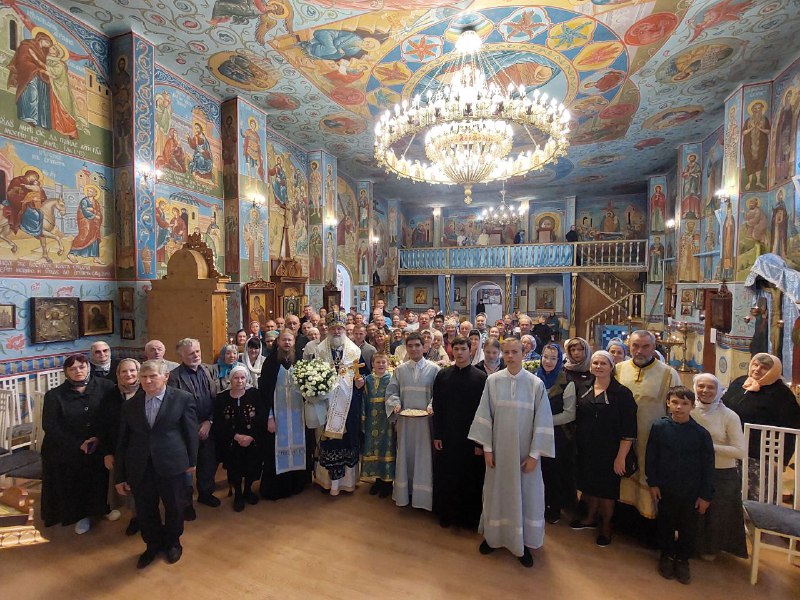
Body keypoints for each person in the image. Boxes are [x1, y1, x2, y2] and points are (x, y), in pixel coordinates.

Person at [468, 337, 555, 568]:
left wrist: (535, 455)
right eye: (506, 352)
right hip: (498, 453)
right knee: (496, 493)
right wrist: (487, 449)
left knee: (525, 497)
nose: (510, 356)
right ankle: (493, 537)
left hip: (524, 456)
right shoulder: (493, 382)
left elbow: (543, 422)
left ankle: (522, 543)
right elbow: (485, 416)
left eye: (515, 352)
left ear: (523, 353)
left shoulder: (535, 384)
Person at [114, 360, 198, 569]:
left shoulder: (182, 399)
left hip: (172, 464)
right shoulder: (130, 405)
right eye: (143, 377)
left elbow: (190, 433)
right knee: (145, 509)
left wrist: (192, 462)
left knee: (175, 506)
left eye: (153, 376)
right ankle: (152, 544)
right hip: (141, 466)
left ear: (166, 376)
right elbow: (122, 442)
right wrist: (120, 476)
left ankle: (172, 542)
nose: (148, 381)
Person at [41, 354, 117, 534]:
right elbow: (50, 426)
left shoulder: (105, 386)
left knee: (98, 479)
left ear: (89, 367)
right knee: (76, 483)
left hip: (98, 443)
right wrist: (78, 444)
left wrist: (98, 438)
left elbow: (111, 415)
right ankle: (81, 515)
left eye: (82, 367)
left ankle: (100, 509)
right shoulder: (54, 395)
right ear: (66, 372)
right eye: (73, 369)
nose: (78, 371)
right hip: (66, 448)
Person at [647, 386, 715, 585]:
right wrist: (653, 482)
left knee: (688, 527)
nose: (679, 407)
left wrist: (706, 495)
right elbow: (652, 457)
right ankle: (667, 555)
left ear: (692, 406)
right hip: (666, 487)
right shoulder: (659, 427)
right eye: (675, 402)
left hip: (691, 490)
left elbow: (708, 466)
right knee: (666, 522)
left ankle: (683, 559)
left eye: (685, 403)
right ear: (668, 403)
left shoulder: (701, 434)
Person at [571, 350, 637, 546]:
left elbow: (629, 429)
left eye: (603, 363)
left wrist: (621, 457)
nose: (598, 367)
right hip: (587, 447)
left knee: (607, 492)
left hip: (610, 450)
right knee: (589, 487)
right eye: (595, 363)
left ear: (611, 367)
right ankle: (590, 518)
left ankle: (606, 527)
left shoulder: (622, 394)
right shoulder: (583, 387)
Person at [615, 330, 680, 520]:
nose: (639, 351)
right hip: (623, 436)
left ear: (653, 347)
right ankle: (622, 519)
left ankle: (647, 520)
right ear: (629, 346)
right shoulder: (619, 369)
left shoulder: (668, 373)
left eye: (645, 346)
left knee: (647, 474)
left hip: (651, 438)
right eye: (635, 346)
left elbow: (675, 408)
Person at [720, 353, 800, 498]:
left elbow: (791, 428)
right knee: (730, 492)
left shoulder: (781, 394)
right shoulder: (740, 382)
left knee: (758, 496)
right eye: (755, 365)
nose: (757, 370)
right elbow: (723, 405)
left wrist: (780, 460)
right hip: (731, 447)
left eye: (764, 368)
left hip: (760, 454)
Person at [691, 373, 748, 560]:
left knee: (715, 515)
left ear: (718, 391)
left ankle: (711, 547)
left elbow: (739, 451)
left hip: (721, 472)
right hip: (695, 471)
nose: (705, 391)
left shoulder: (729, 416)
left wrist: (709, 447)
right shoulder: (689, 410)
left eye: (710, 387)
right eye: (701, 386)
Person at [432, 336, 488, 529]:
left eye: (463, 348)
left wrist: (480, 443)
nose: (459, 352)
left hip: (471, 438)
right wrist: (437, 434)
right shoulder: (443, 375)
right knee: (448, 475)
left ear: (470, 349)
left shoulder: (481, 378)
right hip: (447, 436)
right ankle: (446, 513)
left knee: (470, 477)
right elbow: (437, 406)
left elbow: (485, 412)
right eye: (456, 349)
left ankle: (469, 517)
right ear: (451, 351)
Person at [312, 311, 365, 495]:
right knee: (329, 441)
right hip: (326, 405)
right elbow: (314, 375)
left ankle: (346, 483)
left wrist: (361, 382)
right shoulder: (319, 350)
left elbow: (362, 373)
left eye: (339, 328)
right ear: (328, 329)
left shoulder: (355, 351)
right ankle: (327, 482)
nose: (336, 331)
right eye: (333, 328)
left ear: (344, 330)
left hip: (349, 405)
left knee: (348, 441)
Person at [385, 332, 440, 510]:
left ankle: (423, 497)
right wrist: (395, 404)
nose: (414, 349)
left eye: (418, 345)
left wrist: (432, 405)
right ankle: (405, 493)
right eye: (410, 346)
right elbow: (391, 392)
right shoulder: (400, 370)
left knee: (424, 457)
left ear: (424, 347)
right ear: (406, 348)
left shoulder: (434, 369)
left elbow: (438, 395)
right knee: (405, 456)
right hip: (405, 421)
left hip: (425, 422)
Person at [168, 338, 220, 515]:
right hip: (185, 431)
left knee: (208, 463)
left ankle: (206, 494)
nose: (196, 355)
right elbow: (174, 408)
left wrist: (209, 422)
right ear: (181, 355)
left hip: (208, 425)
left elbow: (216, 399)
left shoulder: (208, 370)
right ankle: (186, 504)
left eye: (197, 351)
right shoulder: (174, 377)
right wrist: (194, 427)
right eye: (191, 353)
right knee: (186, 468)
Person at [259, 329, 312, 500]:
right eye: (283, 340)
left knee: (300, 448)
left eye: (289, 340)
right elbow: (264, 394)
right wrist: (269, 418)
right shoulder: (270, 363)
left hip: (298, 417)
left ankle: (297, 484)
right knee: (275, 451)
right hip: (277, 417)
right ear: (278, 342)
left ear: (294, 341)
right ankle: (277, 488)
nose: (287, 343)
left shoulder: (301, 363)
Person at [98, 358, 141, 537]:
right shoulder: (110, 395)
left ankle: (145, 516)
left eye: (132, 370)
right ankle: (135, 518)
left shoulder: (146, 392)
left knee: (142, 487)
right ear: (118, 374)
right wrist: (107, 452)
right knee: (126, 487)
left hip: (142, 449)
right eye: (124, 371)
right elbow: (103, 427)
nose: (129, 374)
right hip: (119, 449)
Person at [214, 365, 266, 512]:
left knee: (251, 467)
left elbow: (261, 418)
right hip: (232, 442)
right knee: (234, 468)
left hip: (251, 440)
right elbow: (219, 423)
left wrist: (251, 437)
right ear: (231, 379)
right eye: (236, 378)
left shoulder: (254, 395)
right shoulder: (222, 398)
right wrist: (235, 436)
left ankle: (248, 490)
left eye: (242, 377)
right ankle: (238, 494)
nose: (239, 381)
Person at [535, 343, 577, 524]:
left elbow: (569, 414)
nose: (548, 361)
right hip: (536, 433)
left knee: (554, 473)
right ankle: (538, 505)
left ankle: (554, 508)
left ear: (560, 360)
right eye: (546, 357)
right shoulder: (534, 377)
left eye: (553, 358)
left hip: (558, 435)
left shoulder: (567, 382)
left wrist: (544, 422)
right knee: (539, 471)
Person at [361, 353, 395, 498]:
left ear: (388, 364)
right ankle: (377, 480)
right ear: (373, 364)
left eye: (383, 362)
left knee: (386, 447)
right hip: (371, 420)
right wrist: (363, 417)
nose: (381, 365)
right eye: (378, 362)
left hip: (386, 420)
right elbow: (363, 399)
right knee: (373, 447)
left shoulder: (392, 379)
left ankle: (387, 483)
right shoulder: (367, 379)